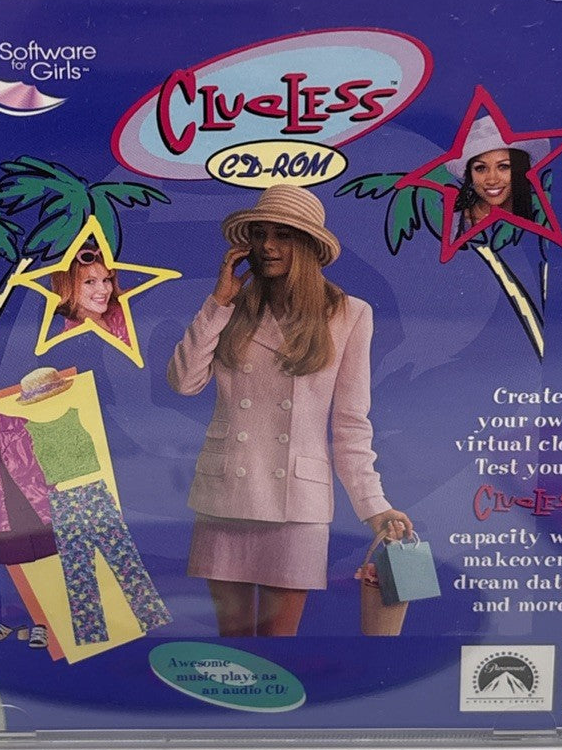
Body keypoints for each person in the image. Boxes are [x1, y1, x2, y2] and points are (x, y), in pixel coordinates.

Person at [168, 184, 412, 637]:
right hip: (227, 496)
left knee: (280, 645)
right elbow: (184, 382)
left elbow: (350, 424)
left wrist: (374, 506)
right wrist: (218, 302)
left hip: (297, 504)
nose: (267, 246)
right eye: (260, 233)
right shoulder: (231, 307)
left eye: (282, 234)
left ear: (309, 245)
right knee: (233, 643)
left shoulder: (350, 314)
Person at [51, 245, 131, 345]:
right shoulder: (71, 340)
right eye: (90, 282)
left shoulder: (129, 308)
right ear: (67, 287)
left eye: (106, 280)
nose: (103, 290)